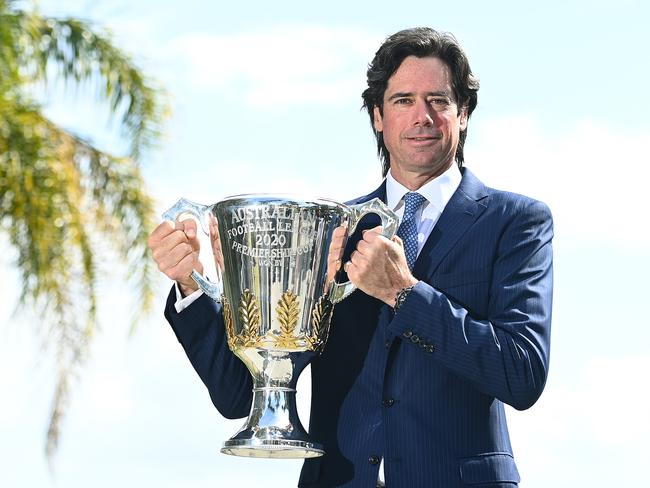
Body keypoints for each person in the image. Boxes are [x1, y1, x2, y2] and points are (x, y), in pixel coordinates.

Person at [148, 27, 553, 488]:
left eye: (438, 100)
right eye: (403, 101)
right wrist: (190, 284)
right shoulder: (330, 229)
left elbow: (522, 374)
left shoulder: (516, 221)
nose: (422, 116)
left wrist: (405, 294)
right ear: (378, 116)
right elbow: (239, 396)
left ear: (463, 114)